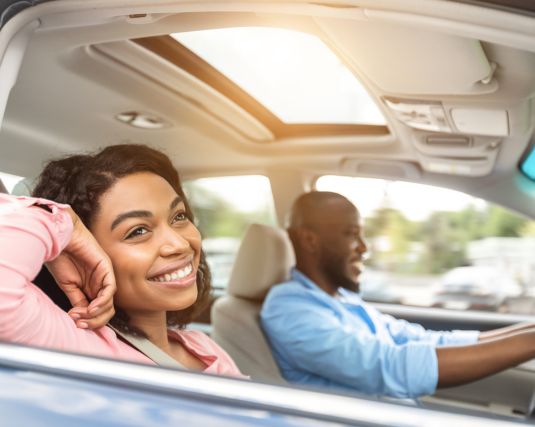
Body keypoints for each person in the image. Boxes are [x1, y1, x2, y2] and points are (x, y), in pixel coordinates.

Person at [261, 191, 535, 398]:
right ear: (310, 240)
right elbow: (389, 365)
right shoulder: (288, 308)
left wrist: (529, 331)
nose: (364, 248)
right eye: (352, 234)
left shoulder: (343, 299)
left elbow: (421, 339)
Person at [0, 144, 242, 376]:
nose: (180, 244)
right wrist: (62, 221)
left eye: (178, 216)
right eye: (138, 231)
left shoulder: (203, 347)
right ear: (85, 254)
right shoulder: (79, 350)